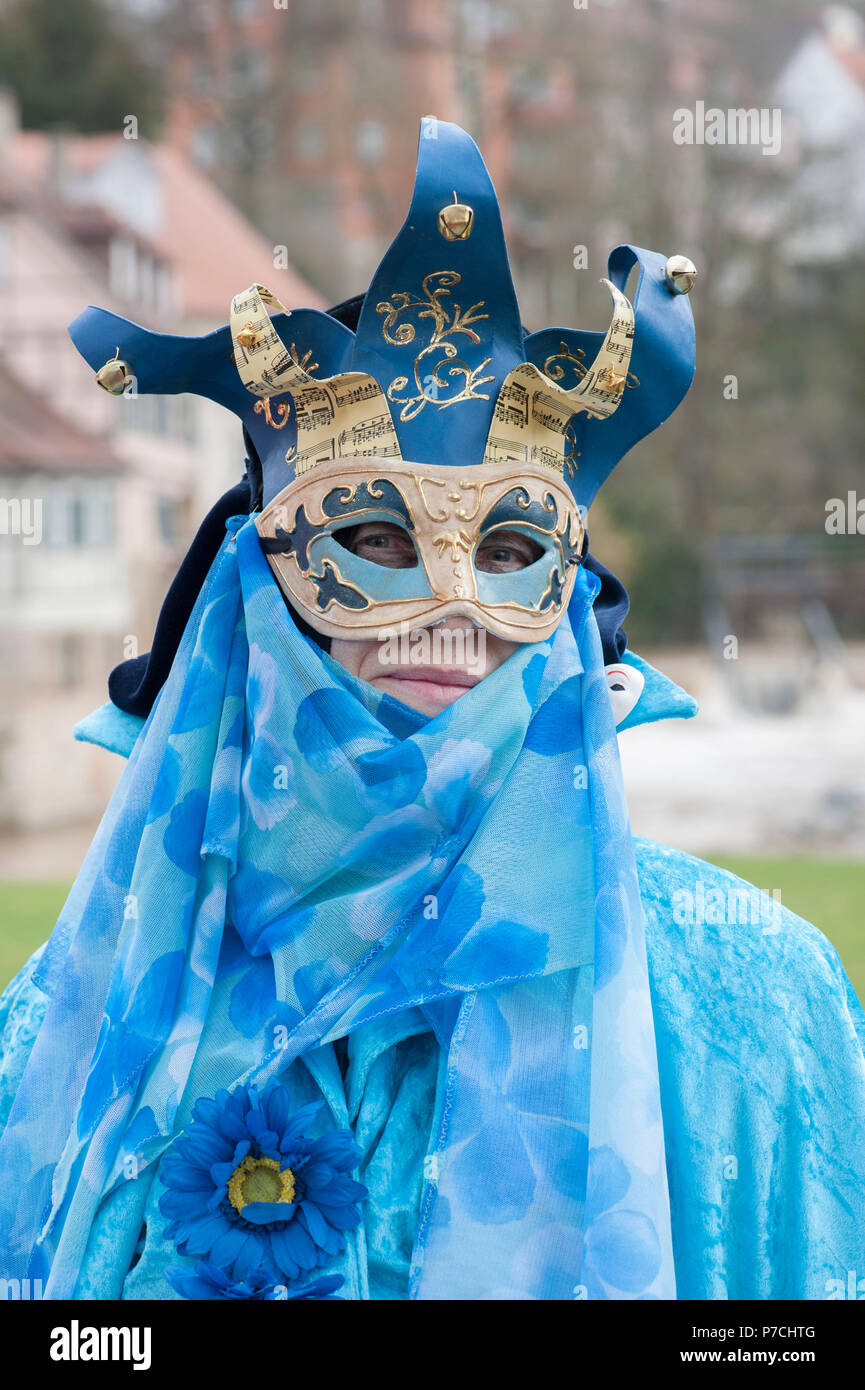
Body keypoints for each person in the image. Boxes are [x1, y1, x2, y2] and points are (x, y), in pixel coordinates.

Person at [1, 118, 863, 1303]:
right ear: (257, 574)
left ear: (566, 581)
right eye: (374, 538)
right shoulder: (72, 1015)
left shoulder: (750, 1000)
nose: (452, 601)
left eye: (510, 545)